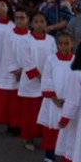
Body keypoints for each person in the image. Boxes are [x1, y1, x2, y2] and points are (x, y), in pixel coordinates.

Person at [17, 11, 56, 151]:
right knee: (30, 113)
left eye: (42, 22)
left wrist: (49, 75)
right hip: (31, 82)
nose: (39, 25)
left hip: (47, 79)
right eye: (36, 22)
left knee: (45, 110)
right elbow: (25, 60)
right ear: (31, 24)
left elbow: (54, 58)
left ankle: (46, 138)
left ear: (46, 23)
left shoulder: (51, 40)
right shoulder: (25, 40)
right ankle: (29, 138)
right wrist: (38, 75)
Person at [37, 32, 74, 162]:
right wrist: (54, 99)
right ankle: (49, 158)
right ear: (57, 45)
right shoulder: (51, 60)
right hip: (53, 102)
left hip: (70, 103)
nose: (64, 47)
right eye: (61, 44)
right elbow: (46, 79)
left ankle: (67, 159)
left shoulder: (76, 61)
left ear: (72, 44)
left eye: (67, 43)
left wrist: (71, 100)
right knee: (51, 131)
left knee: (68, 131)